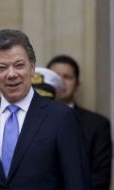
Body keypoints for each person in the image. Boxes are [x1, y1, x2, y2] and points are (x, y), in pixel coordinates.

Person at [0, 29, 91, 190]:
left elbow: (76, 182)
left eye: (19, 65)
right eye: (2, 67)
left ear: (32, 68)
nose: (11, 74)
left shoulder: (62, 118)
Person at [47, 55, 112, 190]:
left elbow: (100, 178)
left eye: (67, 77)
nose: (61, 82)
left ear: (77, 85)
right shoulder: (26, 119)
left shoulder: (97, 125)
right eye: (56, 76)